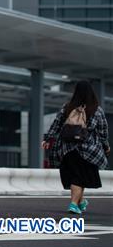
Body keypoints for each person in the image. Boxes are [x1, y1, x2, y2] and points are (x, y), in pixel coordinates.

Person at [42, 80, 109, 214]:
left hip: (67, 149)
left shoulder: (67, 107)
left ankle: (81, 201)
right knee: (79, 177)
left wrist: (48, 138)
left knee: (77, 176)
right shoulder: (96, 109)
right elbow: (102, 130)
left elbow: (56, 124)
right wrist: (105, 146)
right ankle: (73, 204)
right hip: (88, 150)